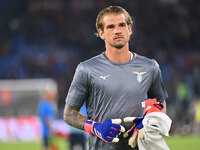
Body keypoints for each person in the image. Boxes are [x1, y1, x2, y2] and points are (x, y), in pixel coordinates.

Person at [63, 6, 167, 150]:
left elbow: (160, 104)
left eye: (122, 25)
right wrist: (96, 128)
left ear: (129, 29)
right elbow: (69, 114)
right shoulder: (86, 69)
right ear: (101, 33)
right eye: (110, 27)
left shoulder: (150, 67)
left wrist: (150, 122)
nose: (118, 31)